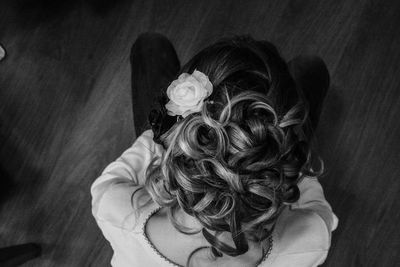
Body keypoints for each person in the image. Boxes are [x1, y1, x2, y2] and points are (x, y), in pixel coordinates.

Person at [91, 33, 338, 267]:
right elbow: (318, 211)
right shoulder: (308, 242)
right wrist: (292, 168)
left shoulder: (119, 214)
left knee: (151, 45)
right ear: (287, 162)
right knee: (311, 67)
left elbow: (110, 181)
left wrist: (154, 138)